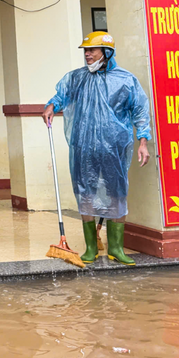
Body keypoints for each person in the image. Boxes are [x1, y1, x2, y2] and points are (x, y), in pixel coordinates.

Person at [42, 31, 152, 266]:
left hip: (115, 148)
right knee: (86, 193)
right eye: (85, 51)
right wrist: (51, 106)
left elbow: (141, 112)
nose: (87, 54)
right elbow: (61, 95)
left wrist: (143, 142)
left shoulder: (126, 80)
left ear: (107, 52)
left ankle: (116, 248)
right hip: (84, 147)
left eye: (92, 50)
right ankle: (91, 247)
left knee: (117, 194)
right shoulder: (76, 78)